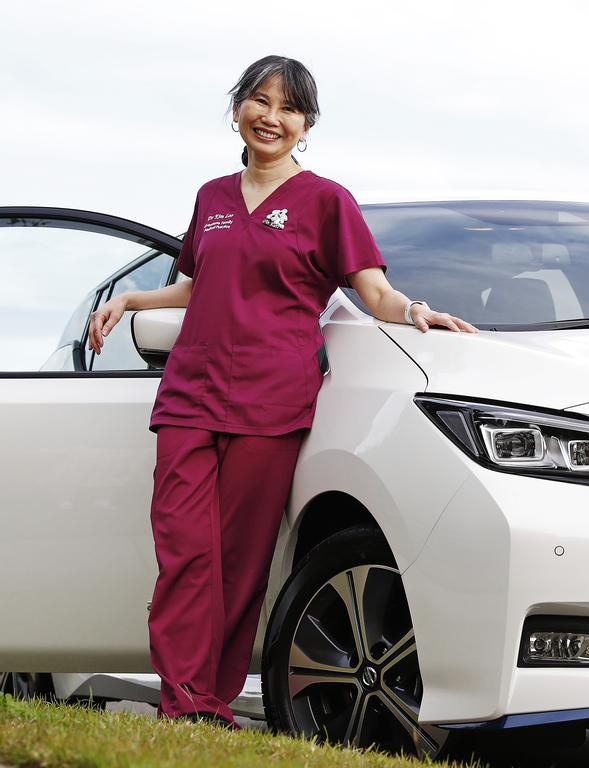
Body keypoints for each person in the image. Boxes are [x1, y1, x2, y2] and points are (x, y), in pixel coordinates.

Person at [85, 55, 478, 729]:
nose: (272, 116)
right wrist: (131, 297)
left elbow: (372, 289)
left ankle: (209, 700)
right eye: (260, 101)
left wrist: (413, 310)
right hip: (190, 394)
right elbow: (194, 285)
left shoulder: (328, 202)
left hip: (270, 401)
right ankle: (181, 701)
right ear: (238, 108)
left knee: (240, 560)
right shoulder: (211, 197)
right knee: (183, 548)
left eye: (289, 107)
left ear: (305, 125)